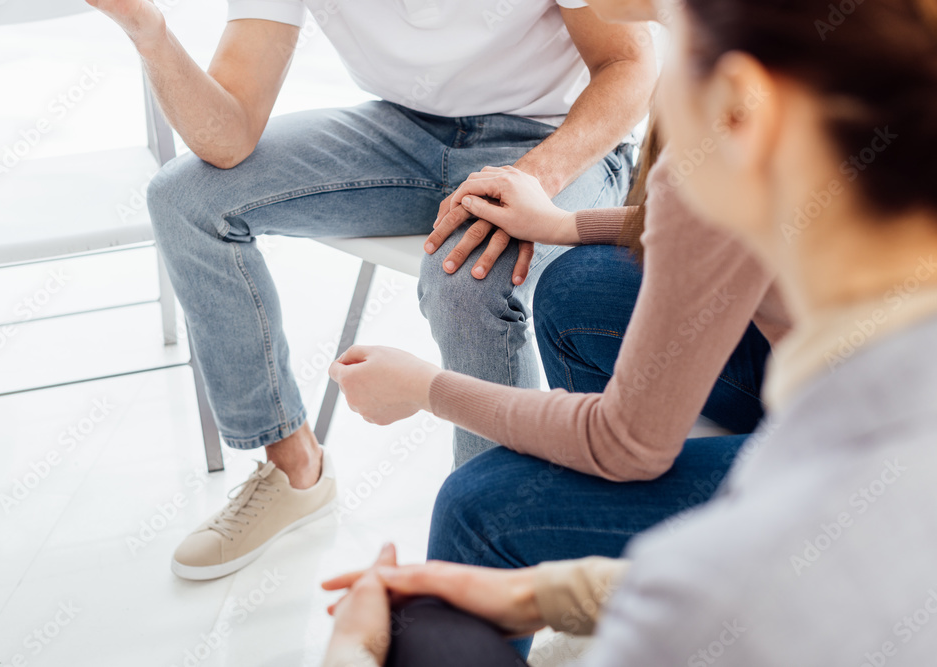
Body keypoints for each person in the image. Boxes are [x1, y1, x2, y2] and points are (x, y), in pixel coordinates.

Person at [322, 0, 937, 664]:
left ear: (740, 105)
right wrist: (566, 224)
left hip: (764, 527)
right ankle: (621, 520)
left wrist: (423, 387)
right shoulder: (854, 96)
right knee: (578, 287)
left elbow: (624, 444)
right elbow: (700, 225)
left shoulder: (721, 600)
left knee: (477, 508)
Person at [84, 0, 656, 580]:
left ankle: (497, 560)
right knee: (186, 200)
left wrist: (534, 177)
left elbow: (628, 63)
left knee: (468, 279)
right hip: (403, 129)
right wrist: (149, 31)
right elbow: (228, 137)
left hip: (557, 138)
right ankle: (294, 470)